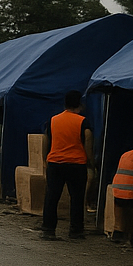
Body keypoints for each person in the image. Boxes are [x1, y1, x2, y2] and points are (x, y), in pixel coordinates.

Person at [41, 90, 94, 240]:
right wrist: (90, 162)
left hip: (55, 163)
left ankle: (48, 230)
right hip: (76, 164)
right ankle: (76, 231)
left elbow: (46, 140)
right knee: (77, 198)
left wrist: (45, 159)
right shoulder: (83, 122)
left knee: (52, 197)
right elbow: (88, 140)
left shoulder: (53, 120)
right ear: (80, 104)